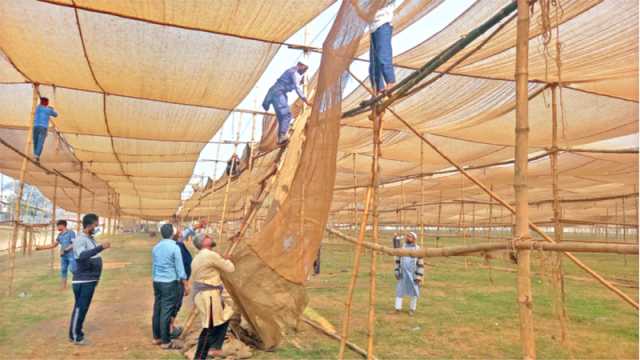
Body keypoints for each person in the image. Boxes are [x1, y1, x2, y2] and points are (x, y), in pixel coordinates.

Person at [191, 233, 235, 359]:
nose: (210, 237)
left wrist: (223, 259)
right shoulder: (209, 255)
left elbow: (216, 262)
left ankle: (215, 348)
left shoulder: (201, 256)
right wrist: (228, 260)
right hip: (208, 296)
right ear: (203, 243)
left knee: (226, 315)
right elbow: (230, 268)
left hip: (206, 295)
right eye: (207, 237)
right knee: (209, 328)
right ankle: (199, 357)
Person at [69, 213, 111, 345]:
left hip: (90, 279)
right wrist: (100, 247)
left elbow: (92, 255)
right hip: (83, 280)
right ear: (89, 225)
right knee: (80, 308)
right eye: (95, 225)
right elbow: (82, 256)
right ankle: (76, 335)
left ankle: (75, 333)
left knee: (81, 307)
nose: (97, 227)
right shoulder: (81, 239)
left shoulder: (89, 238)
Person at [152, 223, 188, 349]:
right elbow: (179, 267)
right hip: (169, 282)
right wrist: (184, 282)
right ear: (172, 234)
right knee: (166, 310)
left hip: (157, 281)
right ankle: (166, 341)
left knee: (157, 309)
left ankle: (156, 337)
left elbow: (155, 266)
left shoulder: (156, 247)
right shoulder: (175, 248)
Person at [261, 62, 312, 145]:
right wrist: (305, 100)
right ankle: (282, 136)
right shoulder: (294, 72)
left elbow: (289, 85)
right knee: (286, 115)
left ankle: (281, 138)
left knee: (282, 117)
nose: (304, 71)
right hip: (278, 93)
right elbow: (297, 88)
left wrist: (300, 81)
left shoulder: (291, 72)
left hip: (276, 93)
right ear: (300, 65)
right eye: (304, 69)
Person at [36, 220, 76, 289]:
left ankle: (79, 283)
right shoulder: (59, 235)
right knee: (63, 270)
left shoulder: (71, 233)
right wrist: (41, 248)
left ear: (62, 225)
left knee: (73, 269)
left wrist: (65, 250)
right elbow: (53, 245)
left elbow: (74, 243)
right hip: (63, 256)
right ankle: (63, 287)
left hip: (71, 255)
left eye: (57, 226)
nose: (57, 227)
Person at [369, 0, 397, 95]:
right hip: (373, 29)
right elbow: (364, 15)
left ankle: (390, 82)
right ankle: (378, 88)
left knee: (383, 55)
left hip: (383, 24)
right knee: (374, 64)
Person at [394, 231, 424, 316]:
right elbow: (397, 260)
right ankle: (398, 308)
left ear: (414, 239)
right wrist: (396, 271)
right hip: (403, 274)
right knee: (399, 291)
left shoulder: (418, 249)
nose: (408, 238)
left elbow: (421, 264)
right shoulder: (402, 247)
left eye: (410, 236)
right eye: (407, 236)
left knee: (414, 292)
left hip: (413, 274)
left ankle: (412, 309)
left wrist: (419, 276)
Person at [170, 226, 193, 337]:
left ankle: (170, 326)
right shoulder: (178, 246)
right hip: (178, 280)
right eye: (180, 232)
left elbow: (186, 233)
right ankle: (170, 328)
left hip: (177, 279)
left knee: (175, 304)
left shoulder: (177, 244)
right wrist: (185, 283)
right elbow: (181, 266)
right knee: (175, 304)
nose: (182, 233)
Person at [32, 96, 58, 162]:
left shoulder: (37, 108)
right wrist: (51, 109)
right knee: (40, 142)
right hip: (43, 127)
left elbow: (38, 106)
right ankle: (36, 156)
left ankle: (35, 155)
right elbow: (56, 115)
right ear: (46, 102)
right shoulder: (48, 110)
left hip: (36, 126)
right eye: (47, 102)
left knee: (35, 141)